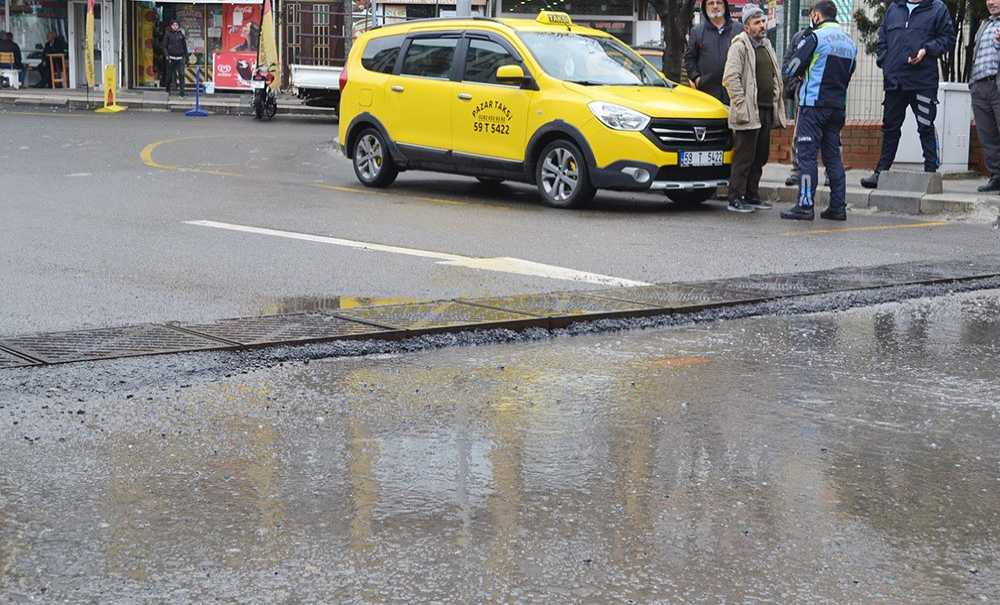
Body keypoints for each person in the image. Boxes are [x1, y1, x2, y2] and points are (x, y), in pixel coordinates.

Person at [860, 0, 955, 189]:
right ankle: (881, 172)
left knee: (925, 125)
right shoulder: (894, 8)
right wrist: (884, 61)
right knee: (890, 128)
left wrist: (926, 49)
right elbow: (882, 40)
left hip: (923, 81)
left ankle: (930, 173)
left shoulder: (937, 8)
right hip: (895, 82)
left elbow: (948, 39)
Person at [780, 0, 857, 221]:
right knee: (833, 158)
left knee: (807, 157)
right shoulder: (850, 43)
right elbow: (850, 72)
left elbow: (791, 68)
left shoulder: (815, 37)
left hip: (813, 107)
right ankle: (838, 207)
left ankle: (805, 206)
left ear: (816, 15)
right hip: (837, 107)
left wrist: (799, 76)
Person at [721, 4, 788, 213]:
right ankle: (735, 197)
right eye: (756, 22)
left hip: (766, 110)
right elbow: (731, 78)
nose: (762, 25)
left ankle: (752, 195)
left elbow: (775, 75)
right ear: (747, 26)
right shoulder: (739, 46)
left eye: (762, 21)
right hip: (748, 111)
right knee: (744, 158)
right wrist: (741, 104)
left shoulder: (767, 45)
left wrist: (776, 96)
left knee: (760, 157)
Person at [968, 0, 1000, 193]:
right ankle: (996, 177)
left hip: (997, 85)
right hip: (980, 86)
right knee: (988, 136)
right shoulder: (984, 24)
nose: (990, 2)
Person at [683, 0, 737, 104]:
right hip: (707, 94)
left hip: (734, 94)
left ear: (725, 5)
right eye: (711, 3)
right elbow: (689, 59)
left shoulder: (738, 29)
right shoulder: (697, 32)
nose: (715, 6)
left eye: (719, 2)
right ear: (705, 7)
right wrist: (697, 79)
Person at [781, 23, 813, 186]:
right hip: (804, 96)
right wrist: (795, 86)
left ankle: (831, 175)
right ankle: (796, 171)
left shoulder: (832, 38)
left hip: (826, 98)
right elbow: (788, 65)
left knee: (831, 140)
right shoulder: (800, 37)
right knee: (799, 136)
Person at [163, 21, 189, 97]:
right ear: (171, 26)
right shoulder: (168, 34)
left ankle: (182, 93)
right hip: (170, 58)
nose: (175, 26)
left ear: (178, 26)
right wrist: (167, 56)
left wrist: (186, 57)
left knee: (181, 74)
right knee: (169, 75)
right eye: (173, 25)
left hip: (180, 58)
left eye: (176, 25)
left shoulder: (181, 34)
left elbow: (185, 47)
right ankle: (167, 89)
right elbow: (164, 46)